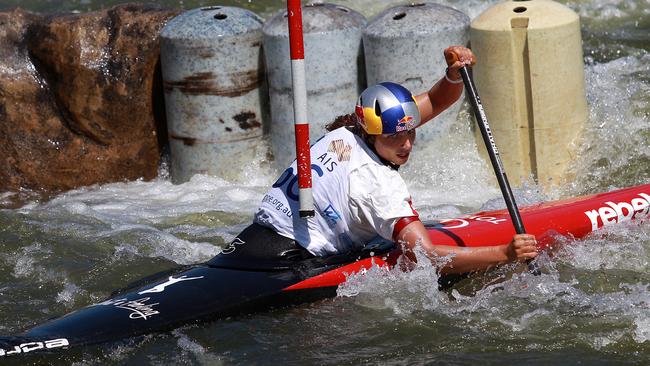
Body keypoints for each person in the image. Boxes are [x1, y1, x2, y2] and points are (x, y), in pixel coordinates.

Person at [219, 46, 539, 275]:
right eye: (396, 137)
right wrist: (502, 254)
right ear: (373, 133)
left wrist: (453, 76)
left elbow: (438, 99)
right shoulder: (380, 187)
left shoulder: (348, 130)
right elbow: (425, 257)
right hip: (287, 262)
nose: (407, 144)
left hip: (250, 242)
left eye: (411, 132)